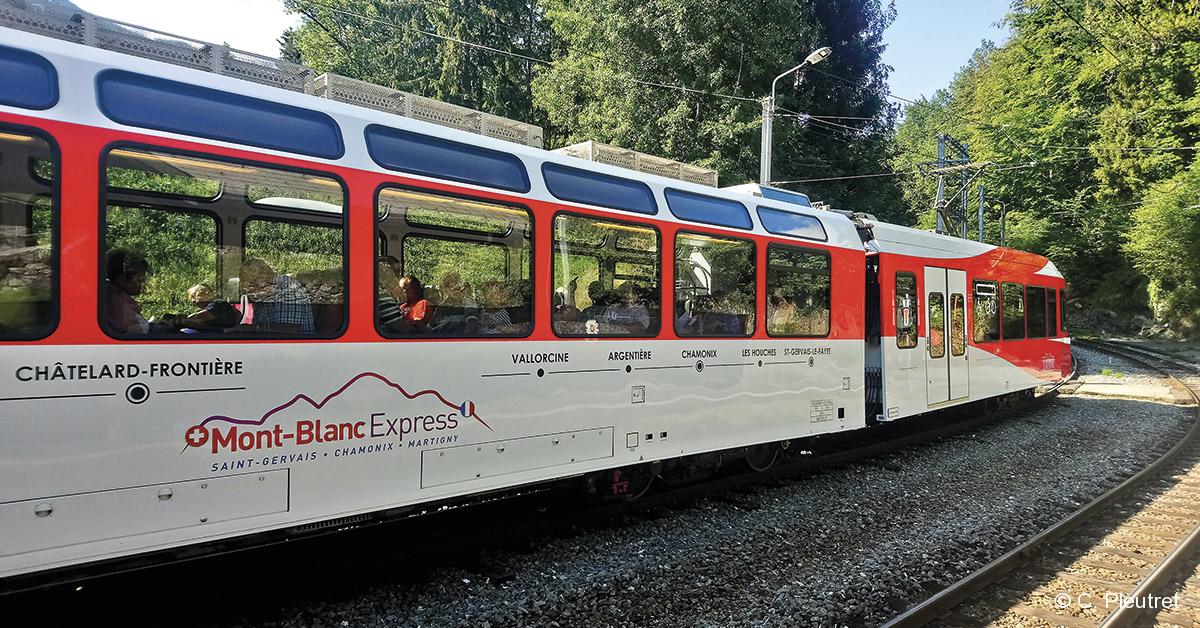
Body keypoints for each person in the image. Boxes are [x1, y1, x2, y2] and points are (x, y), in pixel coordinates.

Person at [239, 258, 315, 334]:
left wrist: (247, 328)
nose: (248, 291)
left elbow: (288, 330)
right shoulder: (263, 293)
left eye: (251, 285)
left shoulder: (289, 289)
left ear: (262, 279)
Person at [105, 250, 150, 334]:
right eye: (139, 279)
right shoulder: (115, 303)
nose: (142, 283)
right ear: (121, 279)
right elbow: (130, 332)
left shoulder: (114, 295)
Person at [177, 282, 241, 332]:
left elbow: (198, 317)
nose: (193, 301)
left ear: (203, 294)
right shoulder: (211, 306)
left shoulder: (219, 304)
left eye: (194, 296)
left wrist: (179, 321)